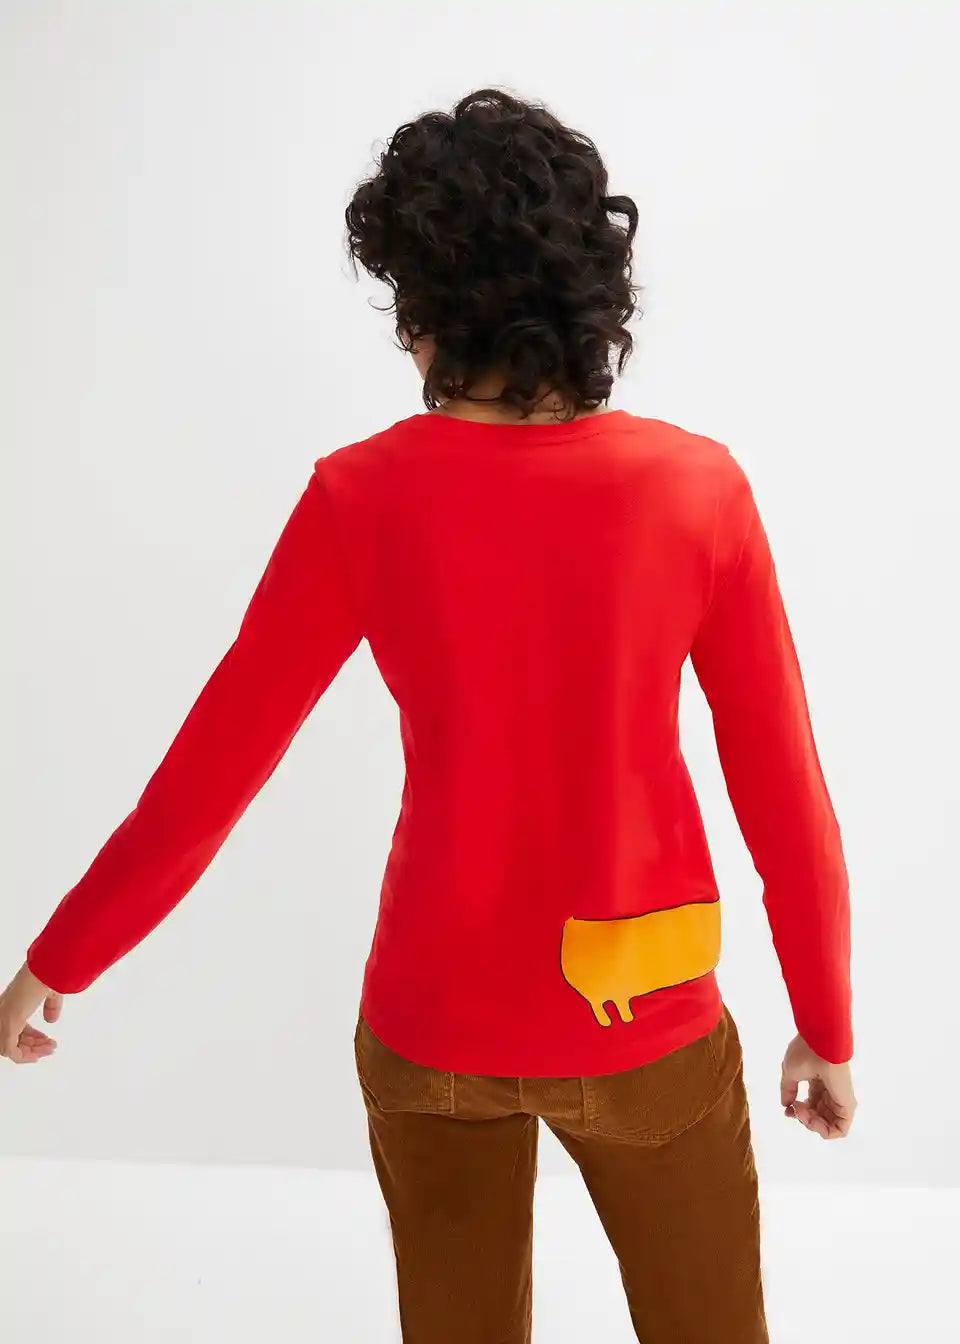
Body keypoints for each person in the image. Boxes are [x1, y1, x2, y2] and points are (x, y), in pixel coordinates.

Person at [1, 87, 855, 1342]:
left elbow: (207, 779)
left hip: (431, 1020)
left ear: (423, 307)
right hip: (644, 1018)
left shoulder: (362, 499)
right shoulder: (697, 491)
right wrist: (826, 1024)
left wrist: (55, 962)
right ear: (590, 291)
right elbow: (786, 797)